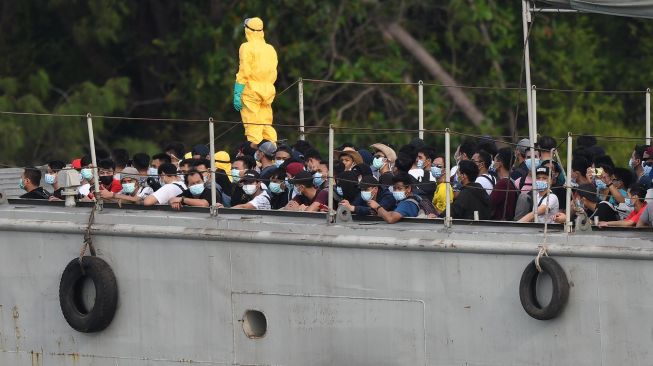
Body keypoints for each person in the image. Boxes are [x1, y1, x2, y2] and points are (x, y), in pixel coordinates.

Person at [233, 17, 278, 149]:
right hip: (268, 90)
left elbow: (244, 71)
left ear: (248, 31)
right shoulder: (270, 48)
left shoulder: (246, 47)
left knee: (253, 127)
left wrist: (237, 92)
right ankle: (273, 152)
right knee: (266, 125)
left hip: (251, 90)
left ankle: (257, 157)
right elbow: (273, 71)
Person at [490, 148, 519, 221]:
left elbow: (489, 204)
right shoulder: (511, 182)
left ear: (500, 164)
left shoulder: (502, 184)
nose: (493, 163)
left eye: (495, 160)